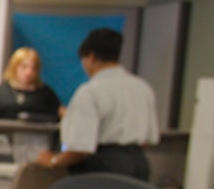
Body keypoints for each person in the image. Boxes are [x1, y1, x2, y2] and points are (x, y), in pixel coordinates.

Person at [36, 28, 159, 180]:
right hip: (138, 165)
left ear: (91, 57)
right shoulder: (142, 87)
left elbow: (79, 149)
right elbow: (149, 139)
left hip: (103, 169)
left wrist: (53, 161)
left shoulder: (90, 92)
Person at [0, 46, 64, 122]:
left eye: (33, 68)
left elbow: (62, 114)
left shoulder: (45, 93)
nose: (29, 72)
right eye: (24, 67)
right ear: (14, 67)